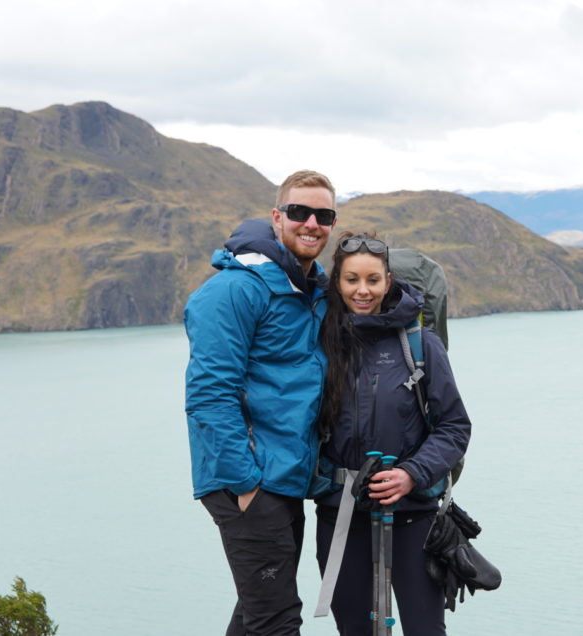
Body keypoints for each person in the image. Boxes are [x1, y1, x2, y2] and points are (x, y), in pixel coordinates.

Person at [183, 170, 337, 636]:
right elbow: (209, 393)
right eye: (298, 212)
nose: (311, 222)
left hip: (284, 476)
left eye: (324, 214)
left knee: (256, 616)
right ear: (277, 217)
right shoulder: (235, 290)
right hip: (251, 481)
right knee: (277, 621)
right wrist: (245, 481)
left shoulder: (310, 290)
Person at [313, 232, 471, 636]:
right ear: (337, 283)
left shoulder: (420, 345)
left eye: (372, 280)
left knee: (425, 631)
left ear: (388, 281)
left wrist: (411, 473)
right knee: (354, 630)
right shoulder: (319, 344)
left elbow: (454, 427)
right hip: (341, 512)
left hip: (413, 514)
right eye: (351, 280)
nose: (362, 291)